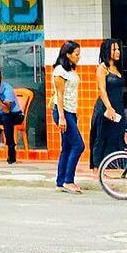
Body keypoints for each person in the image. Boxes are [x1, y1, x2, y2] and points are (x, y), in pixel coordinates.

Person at [89, 39, 127, 175]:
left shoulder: (117, 68)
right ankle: (96, 167)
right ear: (107, 51)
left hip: (118, 106)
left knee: (119, 135)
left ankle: (119, 165)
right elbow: (102, 90)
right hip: (105, 107)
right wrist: (109, 108)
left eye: (118, 49)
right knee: (101, 136)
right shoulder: (102, 68)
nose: (118, 52)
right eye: (114, 49)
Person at [51, 41, 84, 194]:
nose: (78, 57)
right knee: (78, 145)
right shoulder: (59, 71)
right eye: (76, 54)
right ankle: (68, 180)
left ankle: (60, 181)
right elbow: (60, 95)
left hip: (71, 111)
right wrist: (62, 118)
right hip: (62, 112)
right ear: (67, 54)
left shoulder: (70, 69)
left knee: (67, 147)